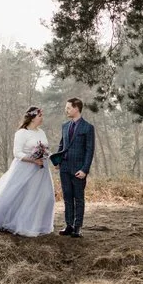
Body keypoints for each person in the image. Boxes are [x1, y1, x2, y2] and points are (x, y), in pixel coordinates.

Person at [0, 105, 55, 237]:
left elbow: (46, 148)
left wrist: (46, 156)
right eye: (40, 115)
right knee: (19, 195)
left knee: (44, 197)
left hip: (41, 170)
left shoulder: (41, 132)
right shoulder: (21, 133)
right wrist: (33, 160)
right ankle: (11, 221)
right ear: (32, 118)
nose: (42, 118)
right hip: (25, 168)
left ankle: (36, 224)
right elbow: (17, 153)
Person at [54, 97, 95, 238]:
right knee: (67, 198)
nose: (66, 110)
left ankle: (78, 227)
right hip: (64, 168)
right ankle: (69, 225)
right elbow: (62, 145)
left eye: (69, 108)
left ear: (76, 108)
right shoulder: (65, 126)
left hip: (79, 170)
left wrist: (85, 170)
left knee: (78, 199)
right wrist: (57, 161)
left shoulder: (88, 128)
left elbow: (90, 151)